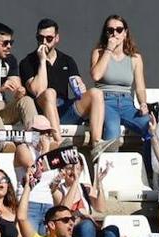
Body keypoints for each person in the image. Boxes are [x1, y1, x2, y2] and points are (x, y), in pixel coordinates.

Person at [20, 19, 105, 156]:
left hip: (64, 110)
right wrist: (42, 61)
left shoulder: (67, 60)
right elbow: (37, 90)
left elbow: (77, 87)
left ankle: (96, 144)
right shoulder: (28, 62)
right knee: (49, 93)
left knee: (96, 93)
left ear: (56, 38)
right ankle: (59, 143)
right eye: (40, 38)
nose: (44, 42)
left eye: (49, 38)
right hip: (43, 112)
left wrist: (80, 87)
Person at [90, 15, 151, 149]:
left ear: (125, 32)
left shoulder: (135, 58)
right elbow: (96, 75)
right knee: (112, 133)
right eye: (110, 30)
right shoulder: (99, 53)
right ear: (106, 33)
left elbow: (140, 86)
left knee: (151, 127)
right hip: (106, 102)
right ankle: (108, 169)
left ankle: (148, 167)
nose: (114, 33)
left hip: (127, 103)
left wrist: (143, 103)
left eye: (119, 29)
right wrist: (109, 50)